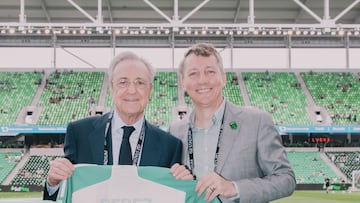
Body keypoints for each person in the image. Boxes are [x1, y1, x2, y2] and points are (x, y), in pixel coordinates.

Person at [43, 51, 191, 201]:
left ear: (150, 90)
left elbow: (172, 196)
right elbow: (63, 194)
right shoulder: (79, 133)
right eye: (123, 82)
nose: (132, 90)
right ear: (112, 89)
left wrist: (183, 182)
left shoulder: (170, 145)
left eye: (140, 82)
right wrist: (53, 182)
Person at [169, 43, 296, 203]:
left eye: (210, 72)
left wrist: (234, 188)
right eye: (193, 73)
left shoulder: (256, 122)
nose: (202, 80)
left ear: (223, 77)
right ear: (183, 82)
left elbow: (286, 179)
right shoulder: (175, 131)